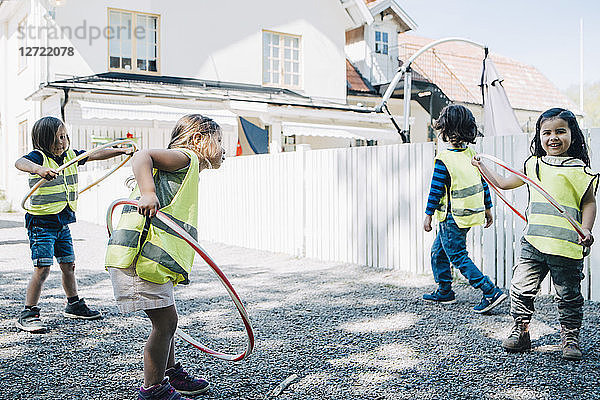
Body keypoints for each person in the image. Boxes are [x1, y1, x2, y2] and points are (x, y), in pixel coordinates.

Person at [105, 114, 225, 400]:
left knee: (168, 320)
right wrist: (147, 193)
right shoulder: (186, 158)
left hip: (152, 261)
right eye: (219, 141)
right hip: (140, 258)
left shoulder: (186, 169)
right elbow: (142, 156)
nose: (223, 149)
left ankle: (168, 374)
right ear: (198, 140)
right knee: (166, 323)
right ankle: (154, 389)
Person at [473, 108, 597, 361]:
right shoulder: (533, 164)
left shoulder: (580, 170)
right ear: (539, 136)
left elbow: (589, 203)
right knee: (520, 288)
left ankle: (570, 337)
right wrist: (483, 166)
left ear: (573, 135)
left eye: (560, 131)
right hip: (534, 242)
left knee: (569, 294)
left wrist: (586, 229)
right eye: (547, 132)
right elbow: (505, 183)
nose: (553, 137)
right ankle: (521, 331)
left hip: (566, 246)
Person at [14, 116, 134, 333]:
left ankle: (74, 304)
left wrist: (120, 151)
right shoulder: (38, 158)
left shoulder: (70, 156)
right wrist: (39, 170)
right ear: (43, 140)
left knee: (68, 265)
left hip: (62, 221)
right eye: (57, 138)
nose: (62, 142)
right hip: (41, 222)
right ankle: (28, 312)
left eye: (64, 136)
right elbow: (20, 163)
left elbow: (94, 154)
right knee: (42, 268)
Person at [423, 104, 507, 313]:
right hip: (467, 215)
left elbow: (436, 191)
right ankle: (445, 291)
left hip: (450, 217)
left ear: (445, 130)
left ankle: (490, 291)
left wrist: (428, 215)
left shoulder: (445, 158)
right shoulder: (471, 153)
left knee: (458, 255)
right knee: (438, 251)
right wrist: (488, 209)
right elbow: (483, 183)